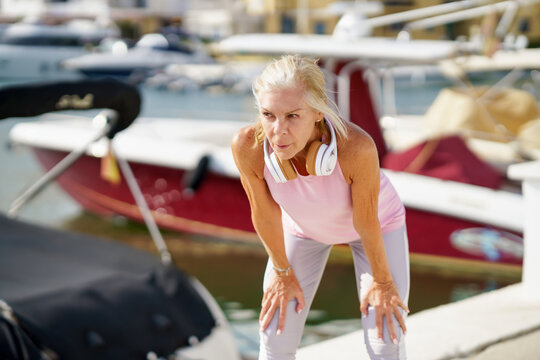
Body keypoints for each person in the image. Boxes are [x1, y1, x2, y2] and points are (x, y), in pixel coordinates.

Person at [231, 55, 410, 360]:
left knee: (384, 341)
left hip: (375, 226)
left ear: (317, 111)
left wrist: (382, 281)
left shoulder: (355, 147)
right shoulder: (247, 147)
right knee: (274, 336)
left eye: (292, 116)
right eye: (268, 115)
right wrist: (281, 272)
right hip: (303, 229)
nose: (278, 130)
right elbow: (264, 213)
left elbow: (366, 222)